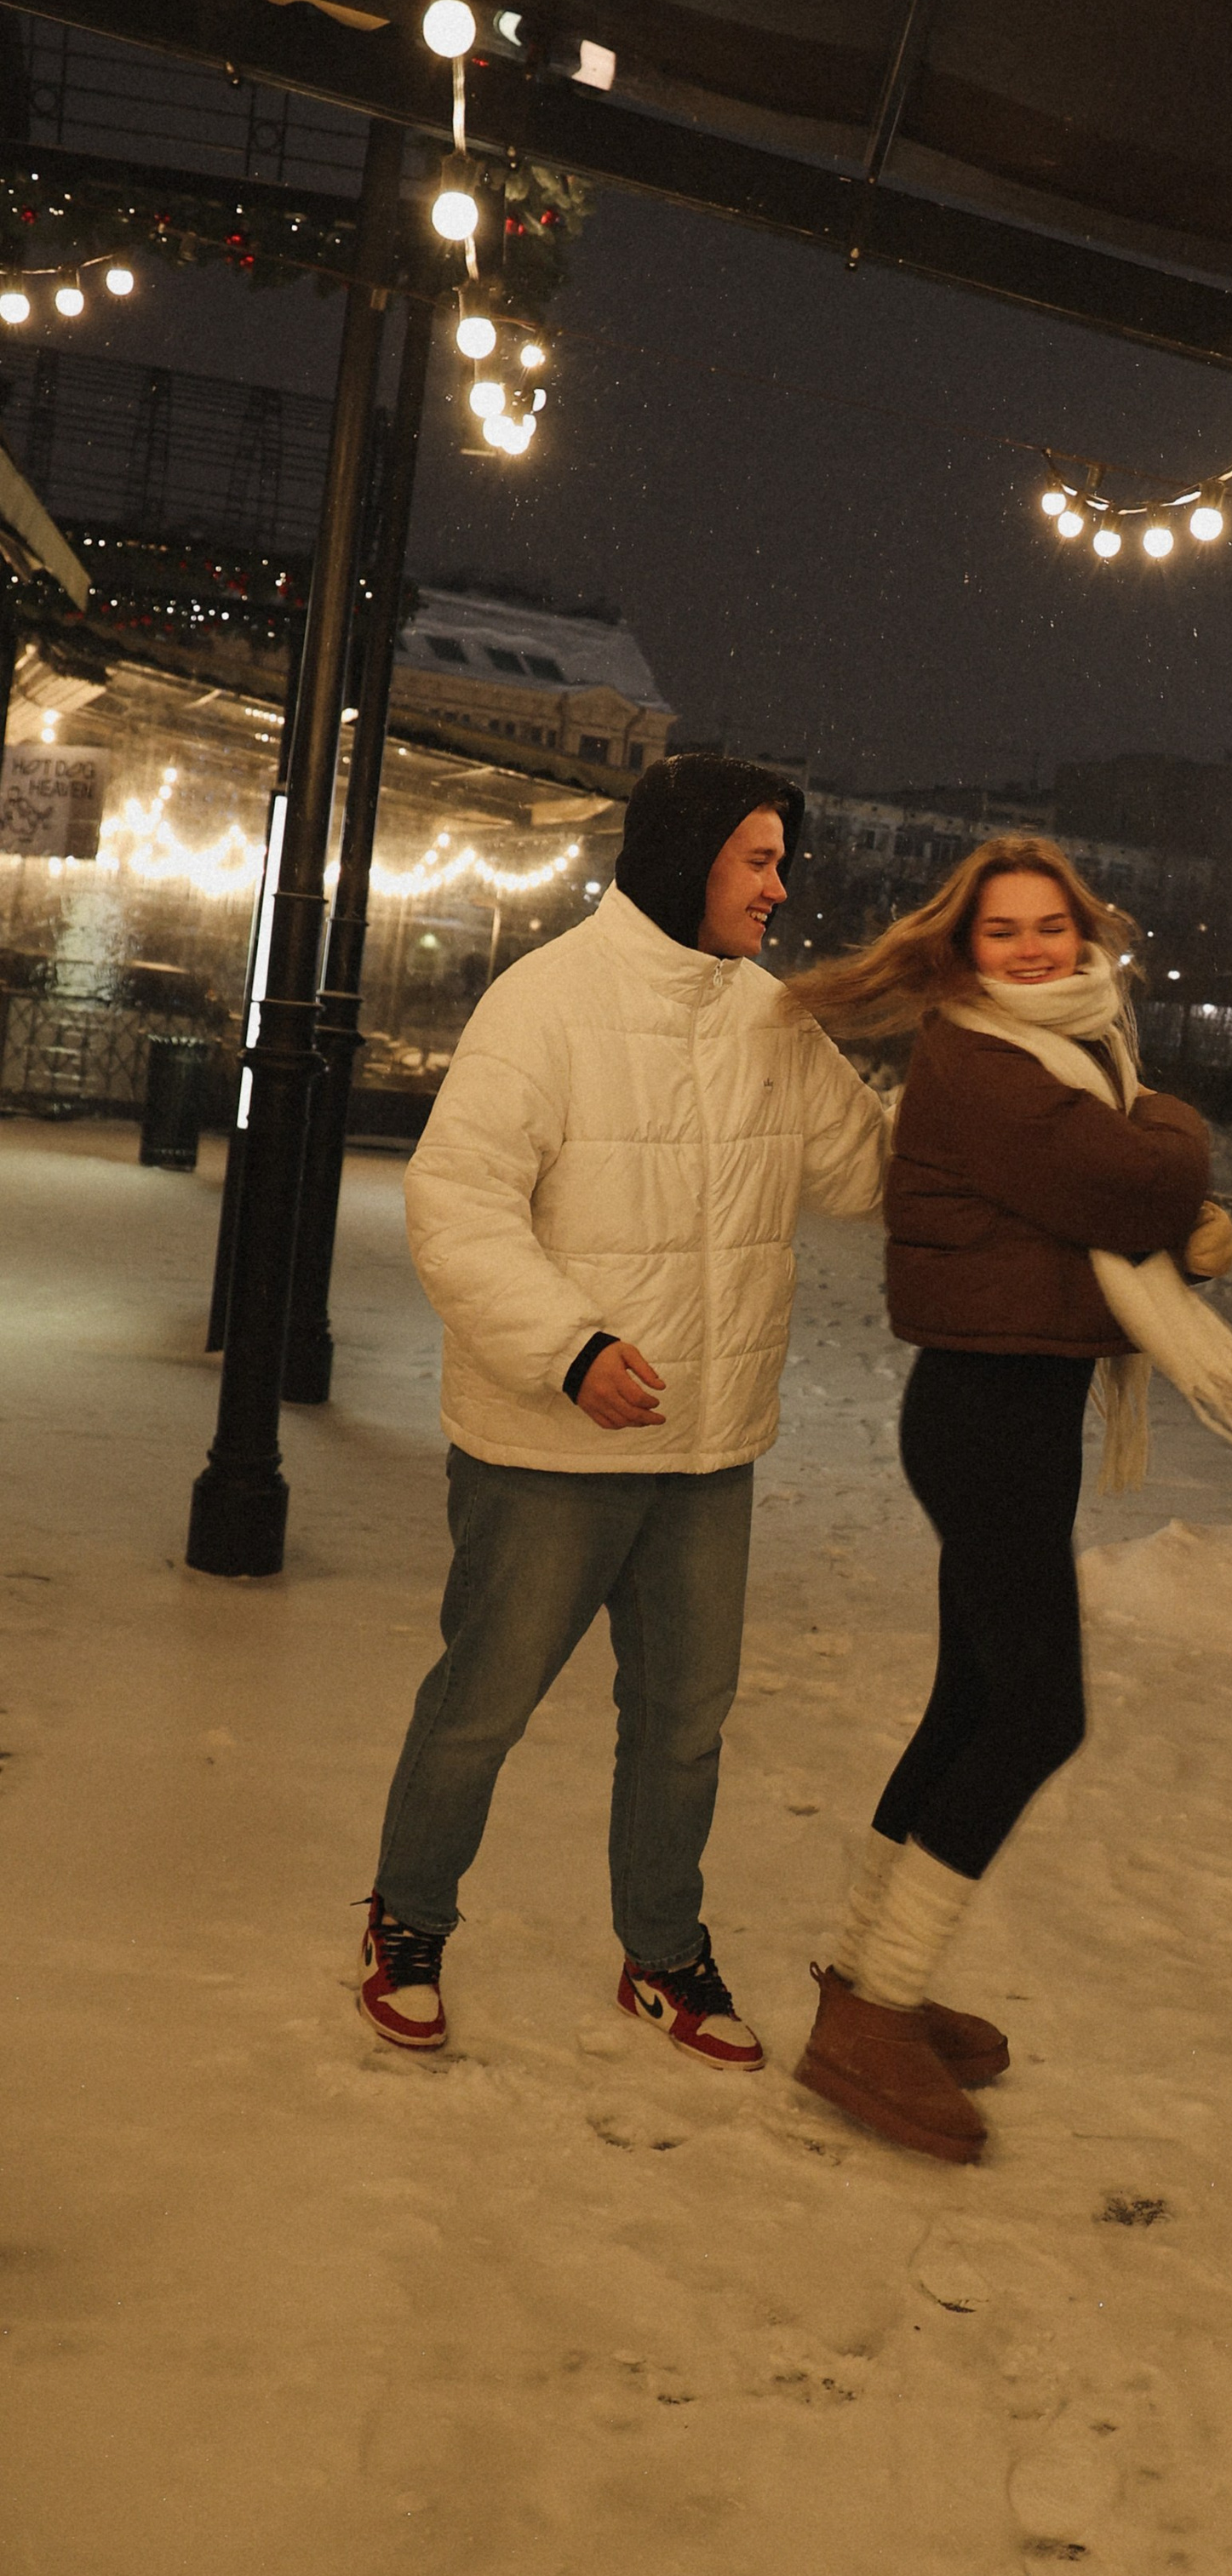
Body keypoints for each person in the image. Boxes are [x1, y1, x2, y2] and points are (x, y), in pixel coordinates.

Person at [783, 838, 1232, 2163]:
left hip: (1009, 1416)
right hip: (983, 1417)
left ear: (1086, 935)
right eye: (1003, 933)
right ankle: (872, 2016)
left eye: (1050, 928)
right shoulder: (981, 1063)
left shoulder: (1068, 1054)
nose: (1031, 950)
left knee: (974, 1702)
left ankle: (866, 1983)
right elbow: (1139, 1179)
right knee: (1039, 1713)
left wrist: (1154, 1176)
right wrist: (1180, 1145)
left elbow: (1102, 1194)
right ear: (964, 951)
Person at [357, 754, 890, 2070]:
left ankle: (661, 1953)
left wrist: (989, 1082)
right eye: (759, 858)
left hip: (708, 1445)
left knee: (683, 1724)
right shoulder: (544, 1005)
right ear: (687, 857)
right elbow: (457, 1206)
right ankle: (407, 1923)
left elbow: (867, 1171)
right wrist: (570, 1347)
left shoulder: (774, 1020)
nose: (779, 886)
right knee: (483, 1704)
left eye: (781, 860)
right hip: (548, 1442)